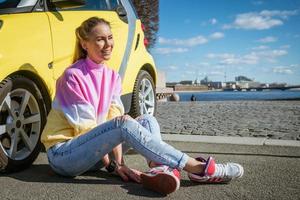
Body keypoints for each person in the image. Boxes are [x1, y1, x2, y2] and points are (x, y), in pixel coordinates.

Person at [41, 17, 244, 195]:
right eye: (100, 39)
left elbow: (112, 124)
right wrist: (113, 166)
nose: (108, 44)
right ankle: (197, 168)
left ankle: (159, 168)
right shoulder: (72, 77)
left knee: (147, 119)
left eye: (110, 37)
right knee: (123, 124)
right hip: (64, 156)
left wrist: (119, 164)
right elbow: (88, 130)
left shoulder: (112, 76)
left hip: (93, 155)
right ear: (85, 44)